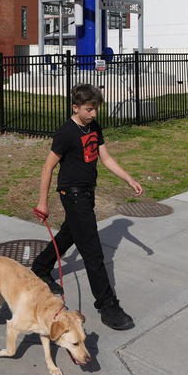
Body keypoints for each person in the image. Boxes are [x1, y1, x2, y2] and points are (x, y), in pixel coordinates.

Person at [31, 83, 143, 330]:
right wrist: (43, 203)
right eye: (89, 109)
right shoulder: (66, 132)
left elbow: (106, 158)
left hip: (87, 193)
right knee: (93, 252)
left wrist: (129, 179)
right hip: (73, 196)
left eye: (95, 109)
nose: (93, 114)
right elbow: (48, 167)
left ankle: (40, 267)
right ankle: (107, 304)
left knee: (69, 233)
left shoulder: (94, 127)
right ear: (76, 107)